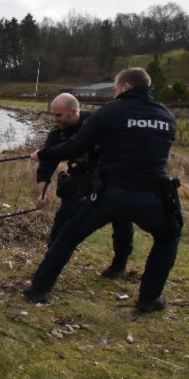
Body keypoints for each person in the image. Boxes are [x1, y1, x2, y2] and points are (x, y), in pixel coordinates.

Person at [26, 67, 182, 312]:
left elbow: (74, 145)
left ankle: (38, 289)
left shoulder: (109, 112)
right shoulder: (167, 117)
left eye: (116, 88)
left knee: (68, 237)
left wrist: (42, 154)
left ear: (126, 87)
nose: (115, 92)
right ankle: (149, 298)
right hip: (153, 196)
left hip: (111, 193)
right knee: (168, 237)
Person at [36, 92, 134, 278]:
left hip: (109, 177)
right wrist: (41, 192)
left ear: (74, 112)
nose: (54, 119)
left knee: (122, 220)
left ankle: (119, 264)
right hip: (79, 179)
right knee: (63, 219)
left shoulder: (98, 121)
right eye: (52, 114)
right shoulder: (58, 132)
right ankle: (51, 260)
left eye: (58, 115)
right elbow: (47, 162)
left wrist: (90, 154)